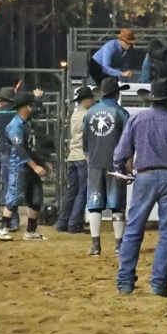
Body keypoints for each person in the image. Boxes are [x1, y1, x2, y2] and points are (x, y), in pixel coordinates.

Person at [113, 79, 167, 296]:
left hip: (144, 176)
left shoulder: (137, 120)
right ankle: (159, 284)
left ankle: (125, 281)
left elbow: (121, 153)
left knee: (134, 229)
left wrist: (122, 169)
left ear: (150, 99)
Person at [83, 78, 131, 256]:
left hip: (95, 163)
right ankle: (119, 245)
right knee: (117, 205)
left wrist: (91, 161)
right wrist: (128, 167)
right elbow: (128, 143)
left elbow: (86, 144)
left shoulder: (90, 113)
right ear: (116, 93)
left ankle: (95, 245)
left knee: (94, 204)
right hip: (116, 164)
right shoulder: (121, 113)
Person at [0, 93, 51, 241]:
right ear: (24, 106)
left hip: (29, 165)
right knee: (15, 197)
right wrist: (36, 166)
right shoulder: (15, 126)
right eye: (30, 104)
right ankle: (3, 228)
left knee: (36, 198)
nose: (33, 106)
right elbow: (21, 150)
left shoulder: (27, 123)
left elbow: (31, 148)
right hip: (19, 166)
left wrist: (42, 162)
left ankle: (31, 231)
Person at [54, 86, 95, 234]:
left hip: (73, 155)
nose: (93, 101)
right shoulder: (88, 115)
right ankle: (74, 223)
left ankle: (62, 222)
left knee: (72, 190)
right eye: (91, 98)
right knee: (83, 191)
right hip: (83, 157)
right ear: (86, 100)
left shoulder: (75, 114)